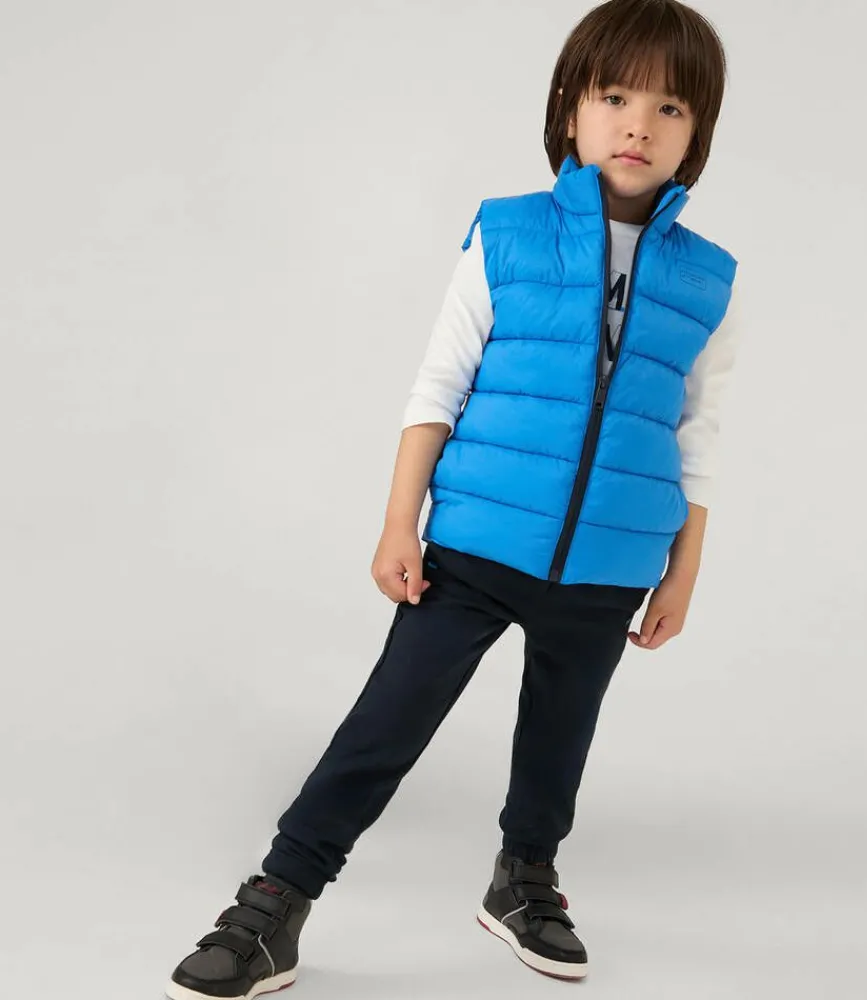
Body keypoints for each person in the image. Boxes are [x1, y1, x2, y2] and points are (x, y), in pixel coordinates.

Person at [165, 0, 740, 996]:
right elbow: (439, 385)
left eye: (670, 107)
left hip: (611, 560)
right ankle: (278, 899)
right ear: (570, 109)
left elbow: (699, 438)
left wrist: (682, 571)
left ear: (699, 133)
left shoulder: (708, 281)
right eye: (614, 97)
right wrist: (400, 521)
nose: (638, 125)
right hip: (474, 543)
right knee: (385, 725)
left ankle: (525, 878)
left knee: (559, 739)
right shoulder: (508, 234)